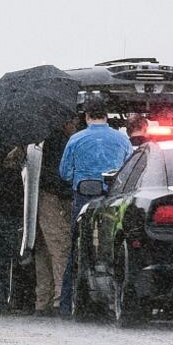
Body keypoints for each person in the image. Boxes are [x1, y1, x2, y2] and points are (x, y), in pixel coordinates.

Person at [57, 96, 133, 315]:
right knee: (110, 250)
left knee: (78, 250)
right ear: (106, 115)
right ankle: (110, 303)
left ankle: (67, 305)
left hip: (83, 199)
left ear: (86, 115)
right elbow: (128, 170)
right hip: (111, 200)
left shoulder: (76, 139)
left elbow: (64, 173)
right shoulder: (122, 140)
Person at [0, 144, 34, 316]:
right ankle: (2, 300)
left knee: (0, 255)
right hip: (6, 206)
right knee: (8, 255)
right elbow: (4, 180)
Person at [33, 115, 78, 316]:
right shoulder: (60, 142)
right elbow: (61, 175)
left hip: (42, 198)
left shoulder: (43, 140)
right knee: (60, 246)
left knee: (43, 249)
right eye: (74, 121)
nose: (76, 125)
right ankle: (61, 299)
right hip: (54, 198)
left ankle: (44, 299)